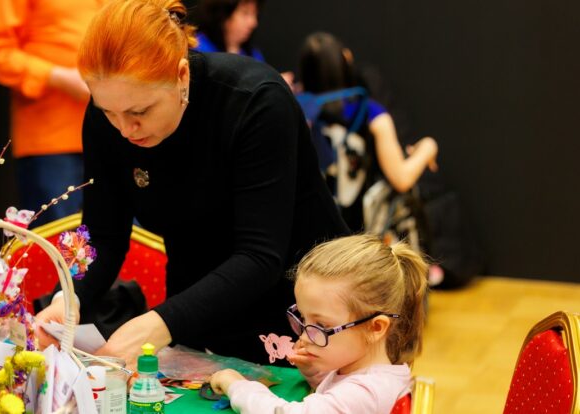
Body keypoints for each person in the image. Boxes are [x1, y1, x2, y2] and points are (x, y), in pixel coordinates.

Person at [35, 0, 349, 366]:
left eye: (140, 112)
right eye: (109, 112)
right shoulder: (110, 115)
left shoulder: (256, 102)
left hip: (306, 314)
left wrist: (157, 323)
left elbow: (260, 256)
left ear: (181, 76)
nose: (124, 129)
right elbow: (103, 237)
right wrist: (68, 299)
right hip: (196, 317)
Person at [210, 234, 428, 413]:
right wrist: (313, 371)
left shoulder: (366, 392)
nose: (304, 337)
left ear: (375, 328)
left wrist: (237, 386)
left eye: (321, 327)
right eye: (303, 319)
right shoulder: (364, 374)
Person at [0, 0, 103, 223]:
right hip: (53, 140)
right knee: (58, 248)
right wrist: (57, 77)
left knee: (135, 247)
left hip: (124, 133)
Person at [298, 32, 439, 230]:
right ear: (345, 60)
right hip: (359, 237)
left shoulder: (296, 111)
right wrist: (427, 148)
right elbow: (401, 179)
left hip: (308, 230)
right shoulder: (369, 111)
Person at [193, 0, 264, 61]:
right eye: (245, 13)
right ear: (224, 14)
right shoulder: (198, 49)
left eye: (255, 14)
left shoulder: (254, 55)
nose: (253, 22)